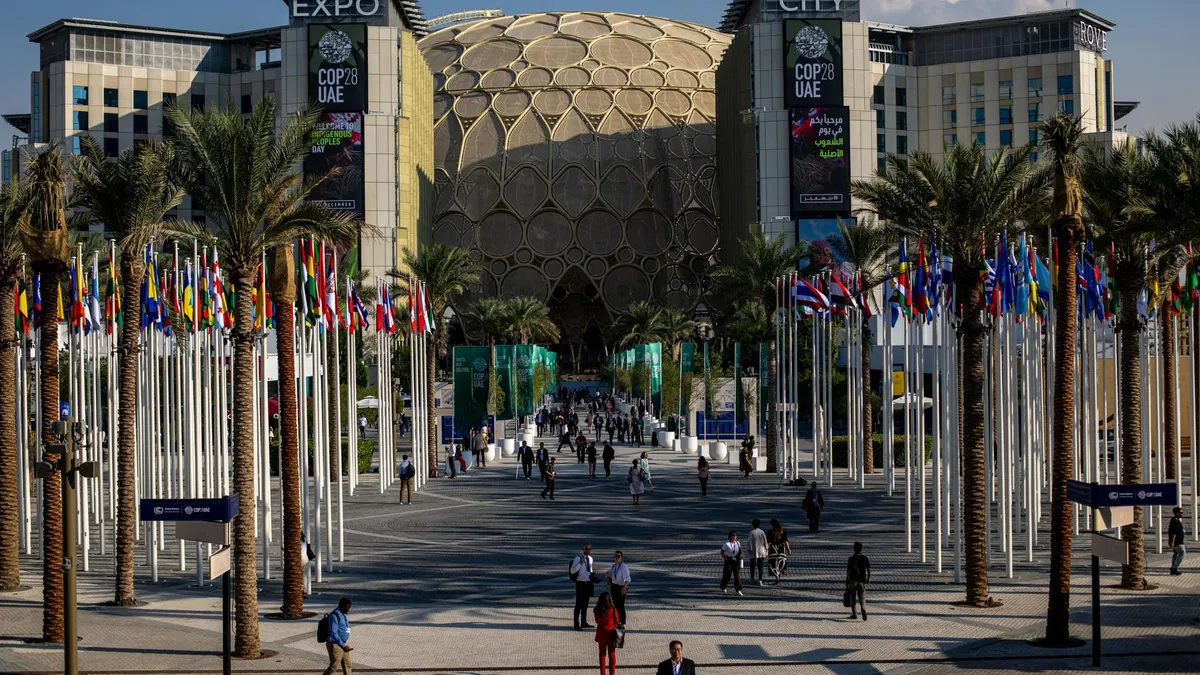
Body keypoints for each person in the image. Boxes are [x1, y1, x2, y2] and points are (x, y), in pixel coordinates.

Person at [321, 598, 353, 675]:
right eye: (347, 607)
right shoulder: (334, 616)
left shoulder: (343, 614)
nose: (348, 609)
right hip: (335, 645)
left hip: (344, 643)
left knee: (347, 665)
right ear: (342, 606)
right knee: (334, 667)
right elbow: (333, 633)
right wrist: (342, 645)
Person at [593, 592, 620, 675]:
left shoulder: (597, 610)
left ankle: (603, 673)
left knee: (602, 654)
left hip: (601, 634)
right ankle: (612, 672)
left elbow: (597, 621)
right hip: (611, 633)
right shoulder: (613, 609)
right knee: (612, 654)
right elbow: (617, 621)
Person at [571, 543, 596, 630]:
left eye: (589, 549)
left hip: (588, 583)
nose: (587, 551)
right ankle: (576, 624)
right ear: (583, 549)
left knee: (585, 604)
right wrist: (580, 564)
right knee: (578, 604)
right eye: (586, 549)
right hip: (580, 583)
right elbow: (573, 570)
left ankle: (583, 622)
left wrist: (593, 577)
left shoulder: (590, 558)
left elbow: (590, 570)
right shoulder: (578, 558)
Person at [606, 550, 631, 625]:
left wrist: (624, 587)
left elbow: (628, 578)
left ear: (622, 558)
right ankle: (616, 621)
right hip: (614, 587)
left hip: (621, 587)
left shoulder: (623, 566)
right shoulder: (614, 566)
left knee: (620, 605)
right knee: (614, 605)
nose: (616, 558)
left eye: (618, 556)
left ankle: (622, 622)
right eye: (615, 556)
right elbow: (610, 574)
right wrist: (608, 574)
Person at [846, 541, 871, 620]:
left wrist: (847, 583)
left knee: (853, 597)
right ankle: (863, 608)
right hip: (861, 581)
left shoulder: (851, 559)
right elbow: (869, 570)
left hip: (852, 581)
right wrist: (868, 579)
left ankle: (854, 614)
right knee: (862, 596)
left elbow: (848, 572)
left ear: (854, 549)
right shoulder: (864, 558)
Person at [719, 530, 744, 595]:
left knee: (737, 575)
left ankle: (738, 589)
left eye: (735, 535)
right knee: (727, 575)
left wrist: (740, 557)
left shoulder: (738, 543)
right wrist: (725, 558)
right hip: (729, 561)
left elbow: (740, 551)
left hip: (736, 560)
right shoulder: (726, 544)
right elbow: (722, 552)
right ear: (730, 536)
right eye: (733, 535)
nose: (734, 537)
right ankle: (723, 587)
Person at [767, 519, 791, 584]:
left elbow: (768, 542)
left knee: (774, 563)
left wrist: (767, 550)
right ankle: (779, 575)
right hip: (781, 548)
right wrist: (788, 549)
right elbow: (786, 541)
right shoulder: (783, 531)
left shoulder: (770, 532)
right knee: (780, 562)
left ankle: (777, 576)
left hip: (773, 548)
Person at [746, 519, 768, 586]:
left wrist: (749, 550)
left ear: (753, 525)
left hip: (753, 551)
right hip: (761, 550)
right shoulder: (762, 532)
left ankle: (752, 578)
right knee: (760, 566)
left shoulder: (751, 532)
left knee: (752, 565)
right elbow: (765, 541)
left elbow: (749, 542)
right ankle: (760, 580)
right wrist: (766, 549)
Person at [1169, 506, 1187, 575]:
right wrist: (1172, 543)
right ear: (1176, 513)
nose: (1182, 514)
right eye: (1181, 513)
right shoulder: (1175, 521)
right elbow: (1173, 533)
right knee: (1182, 552)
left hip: (1177, 541)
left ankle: (1173, 570)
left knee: (1176, 553)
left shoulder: (1175, 520)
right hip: (1178, 541)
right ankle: (1174, 568)